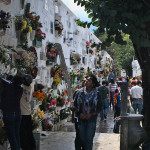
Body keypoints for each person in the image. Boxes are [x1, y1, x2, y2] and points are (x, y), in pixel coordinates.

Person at [74, 74, 102, 150]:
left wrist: (91, 114)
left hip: (91, 120)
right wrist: (80, 113)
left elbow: (99, 107)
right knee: (82, 139)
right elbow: (75, 105)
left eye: (89, 80)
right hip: (81, 119)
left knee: (89, 140)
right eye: (86, 79)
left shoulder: (97, 94)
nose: (86, 81)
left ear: (93, 84)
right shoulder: (79, 93)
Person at [0, 75, 23, 150]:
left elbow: (3, 81)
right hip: (17, 114)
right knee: (16, 135)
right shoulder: (20, 89)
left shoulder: (9, 87)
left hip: (9, 114)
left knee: (11, 136)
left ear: (13, 80)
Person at [20, 74, 36, 150]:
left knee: (23, 132)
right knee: (29, 131)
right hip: (28, 112)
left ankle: (25, 147)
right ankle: (32, 147)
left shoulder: (21, 88)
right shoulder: (30, 87)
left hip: (22, 113)